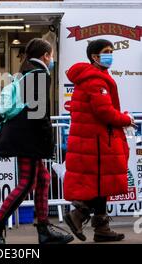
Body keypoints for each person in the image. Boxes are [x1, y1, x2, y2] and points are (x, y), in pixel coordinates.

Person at [0, 38, 74, 244]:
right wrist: (48, 144)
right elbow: (39, 114)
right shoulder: (39, 75)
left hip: (20, 136)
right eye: (51, 55)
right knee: (27, 182)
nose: (52, 60)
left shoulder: (23, 75)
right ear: (45, 56)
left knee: (43, 179)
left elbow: (3, 114)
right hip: (29, 138)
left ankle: (43, 228)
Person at [63, 39, 135, 242]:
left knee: (101, 183)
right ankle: (79, 215)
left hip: (94, 140)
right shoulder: (95, 80)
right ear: (94, 57)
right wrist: (126, 119)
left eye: (111, 51)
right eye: (106, 52)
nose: (110, 55)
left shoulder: (94, 77)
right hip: (96, 141)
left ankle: (100, 227)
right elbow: (104, 112)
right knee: (99, 183)